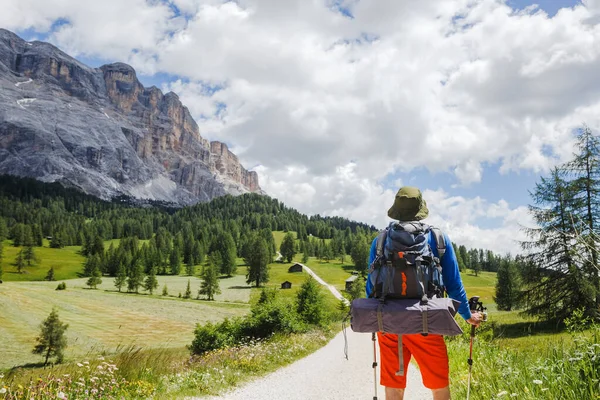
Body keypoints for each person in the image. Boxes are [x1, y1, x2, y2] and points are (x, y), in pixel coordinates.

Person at [366, 186, 482, 400]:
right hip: (427, 322)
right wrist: (468, 316)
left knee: (394, 387)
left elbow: (371, 286)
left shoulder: (381, 240)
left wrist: (377, 317)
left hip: (390, 325)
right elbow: (454, 284)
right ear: (420, 208)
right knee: (438, 386)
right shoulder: (437, 239)